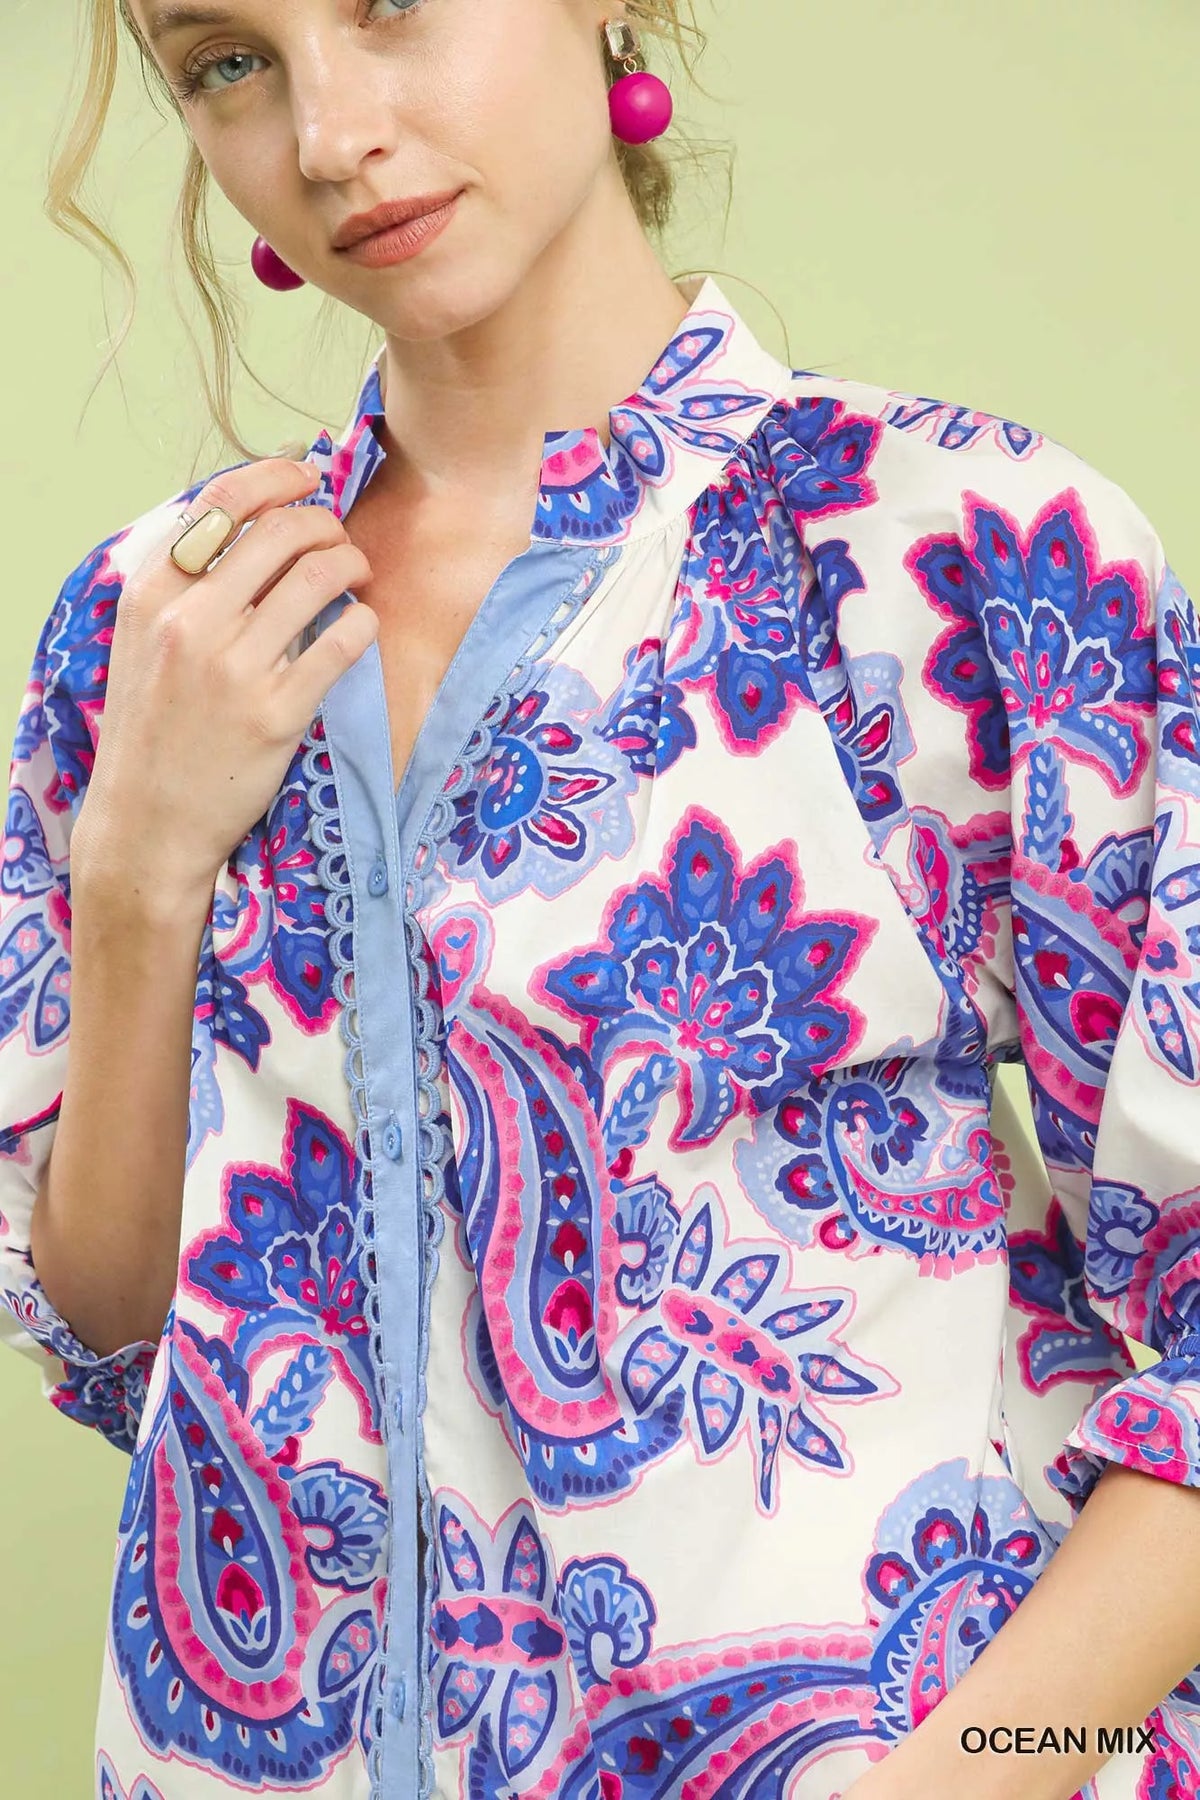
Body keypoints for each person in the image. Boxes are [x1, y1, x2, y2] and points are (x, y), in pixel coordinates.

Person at [3, 1, 1200, 1797]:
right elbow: (116, 1342)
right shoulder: (163, 621)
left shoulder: (946, 550)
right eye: (227, 61)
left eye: (389, 4)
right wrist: (136, 875)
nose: (327, 134)